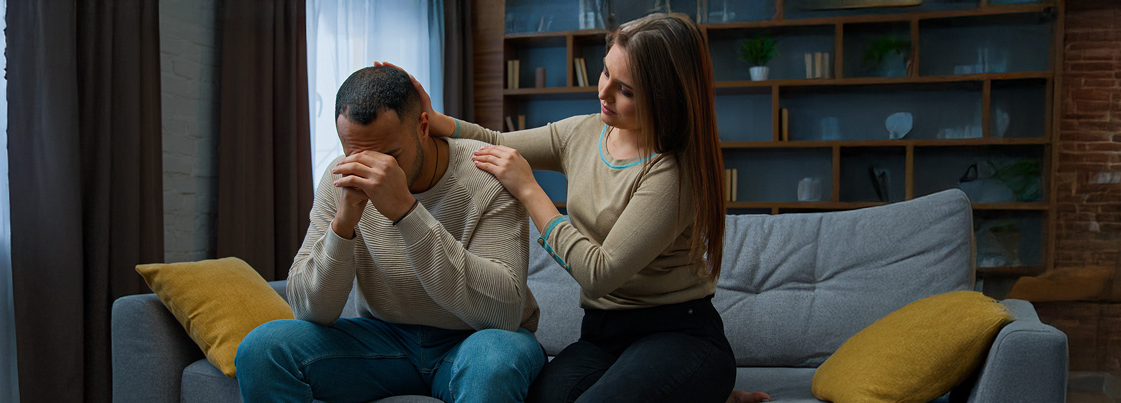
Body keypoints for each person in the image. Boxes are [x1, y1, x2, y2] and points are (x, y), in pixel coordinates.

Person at [395, 13, 772, 403]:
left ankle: (705, 387)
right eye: (605, 72)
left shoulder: (673, 172)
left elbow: (600, 273)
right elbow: (496, 141)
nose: (603, 93)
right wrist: (434, 120)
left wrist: (530, 191)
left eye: (625, 90)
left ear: (666, 98)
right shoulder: (586, 132)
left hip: (679, 334)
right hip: (602, 335)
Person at [234, 66, 545, 403]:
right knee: (261, 349)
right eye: (357, 155)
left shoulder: (488, 173)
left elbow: (501, 313)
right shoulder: (339, 176)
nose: (375, 169)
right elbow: (311, 312)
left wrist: (406, 212)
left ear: (423, 127)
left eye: (390, 155)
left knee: (493, 363)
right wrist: (343, 224)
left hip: (476, 340)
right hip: (385, 340)